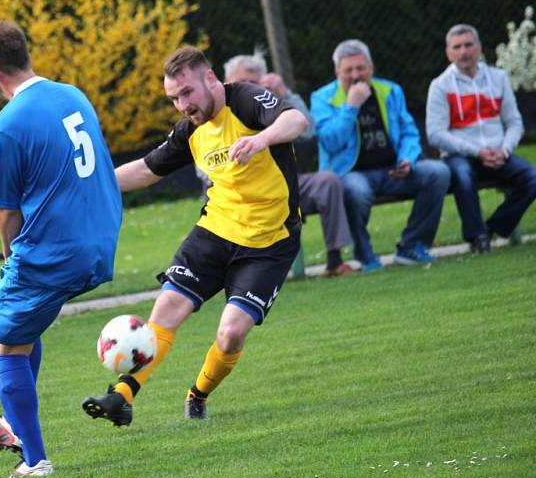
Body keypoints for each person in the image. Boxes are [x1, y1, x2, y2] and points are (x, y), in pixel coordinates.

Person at [82, 46, 308, 426]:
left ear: (210, 78)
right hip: (216, 230)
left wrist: (262, 139)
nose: (182, 105)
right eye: (173, 98)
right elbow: (147, 169)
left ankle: (198, 393)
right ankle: (121, 396)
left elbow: (296, 120)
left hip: (269, 241)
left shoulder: (247, 99)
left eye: (186, 93)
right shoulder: (191, 130)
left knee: (231, 333)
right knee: (167, 308)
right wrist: (89, 186)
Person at [0, 20, 122, 478]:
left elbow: (6, 210)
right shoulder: (73, 94)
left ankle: (34, 460)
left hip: (60, 248)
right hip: (101, 237)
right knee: (22, 328)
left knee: (6, 337)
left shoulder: (8, 123)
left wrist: (10, 259)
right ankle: (9, 424)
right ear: (27, 54)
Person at [311, 39, 451, 271]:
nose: (356, 75)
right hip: (350, 173)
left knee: (438, 172)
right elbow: (330, 141)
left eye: (361, 68)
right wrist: (351, 106)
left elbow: (408, 132)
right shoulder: (322, 98)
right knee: (357, 191)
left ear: (371, 68)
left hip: (393, 169)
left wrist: (407, 158)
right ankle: (366, 257)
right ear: (337, 72)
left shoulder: (390, 91)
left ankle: (411, 246)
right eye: (349, 70)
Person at [222, 53, 355, 276]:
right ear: (226, 81)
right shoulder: (218, 110)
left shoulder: (269, 103)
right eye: (244, 82)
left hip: (286, 181)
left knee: (328, 181)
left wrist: (285, 94)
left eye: (255, 83)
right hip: (243, 189)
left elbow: (309, 130)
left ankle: (335, 261)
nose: (249, 88)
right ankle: (244, 273)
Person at [426, 24, 536, 253]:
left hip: (498, 153)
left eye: (468, 45)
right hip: (460, 157)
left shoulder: (498, 78)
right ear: (448, 52)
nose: (463, 52)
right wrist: (477, 152)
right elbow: (435, 134)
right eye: (457, 47)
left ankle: (492, 228)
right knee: (463, 177)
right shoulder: (440, 86)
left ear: (479, 48)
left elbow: (514, 122)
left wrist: (504, 150)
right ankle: (477, 237)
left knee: (532, 176)